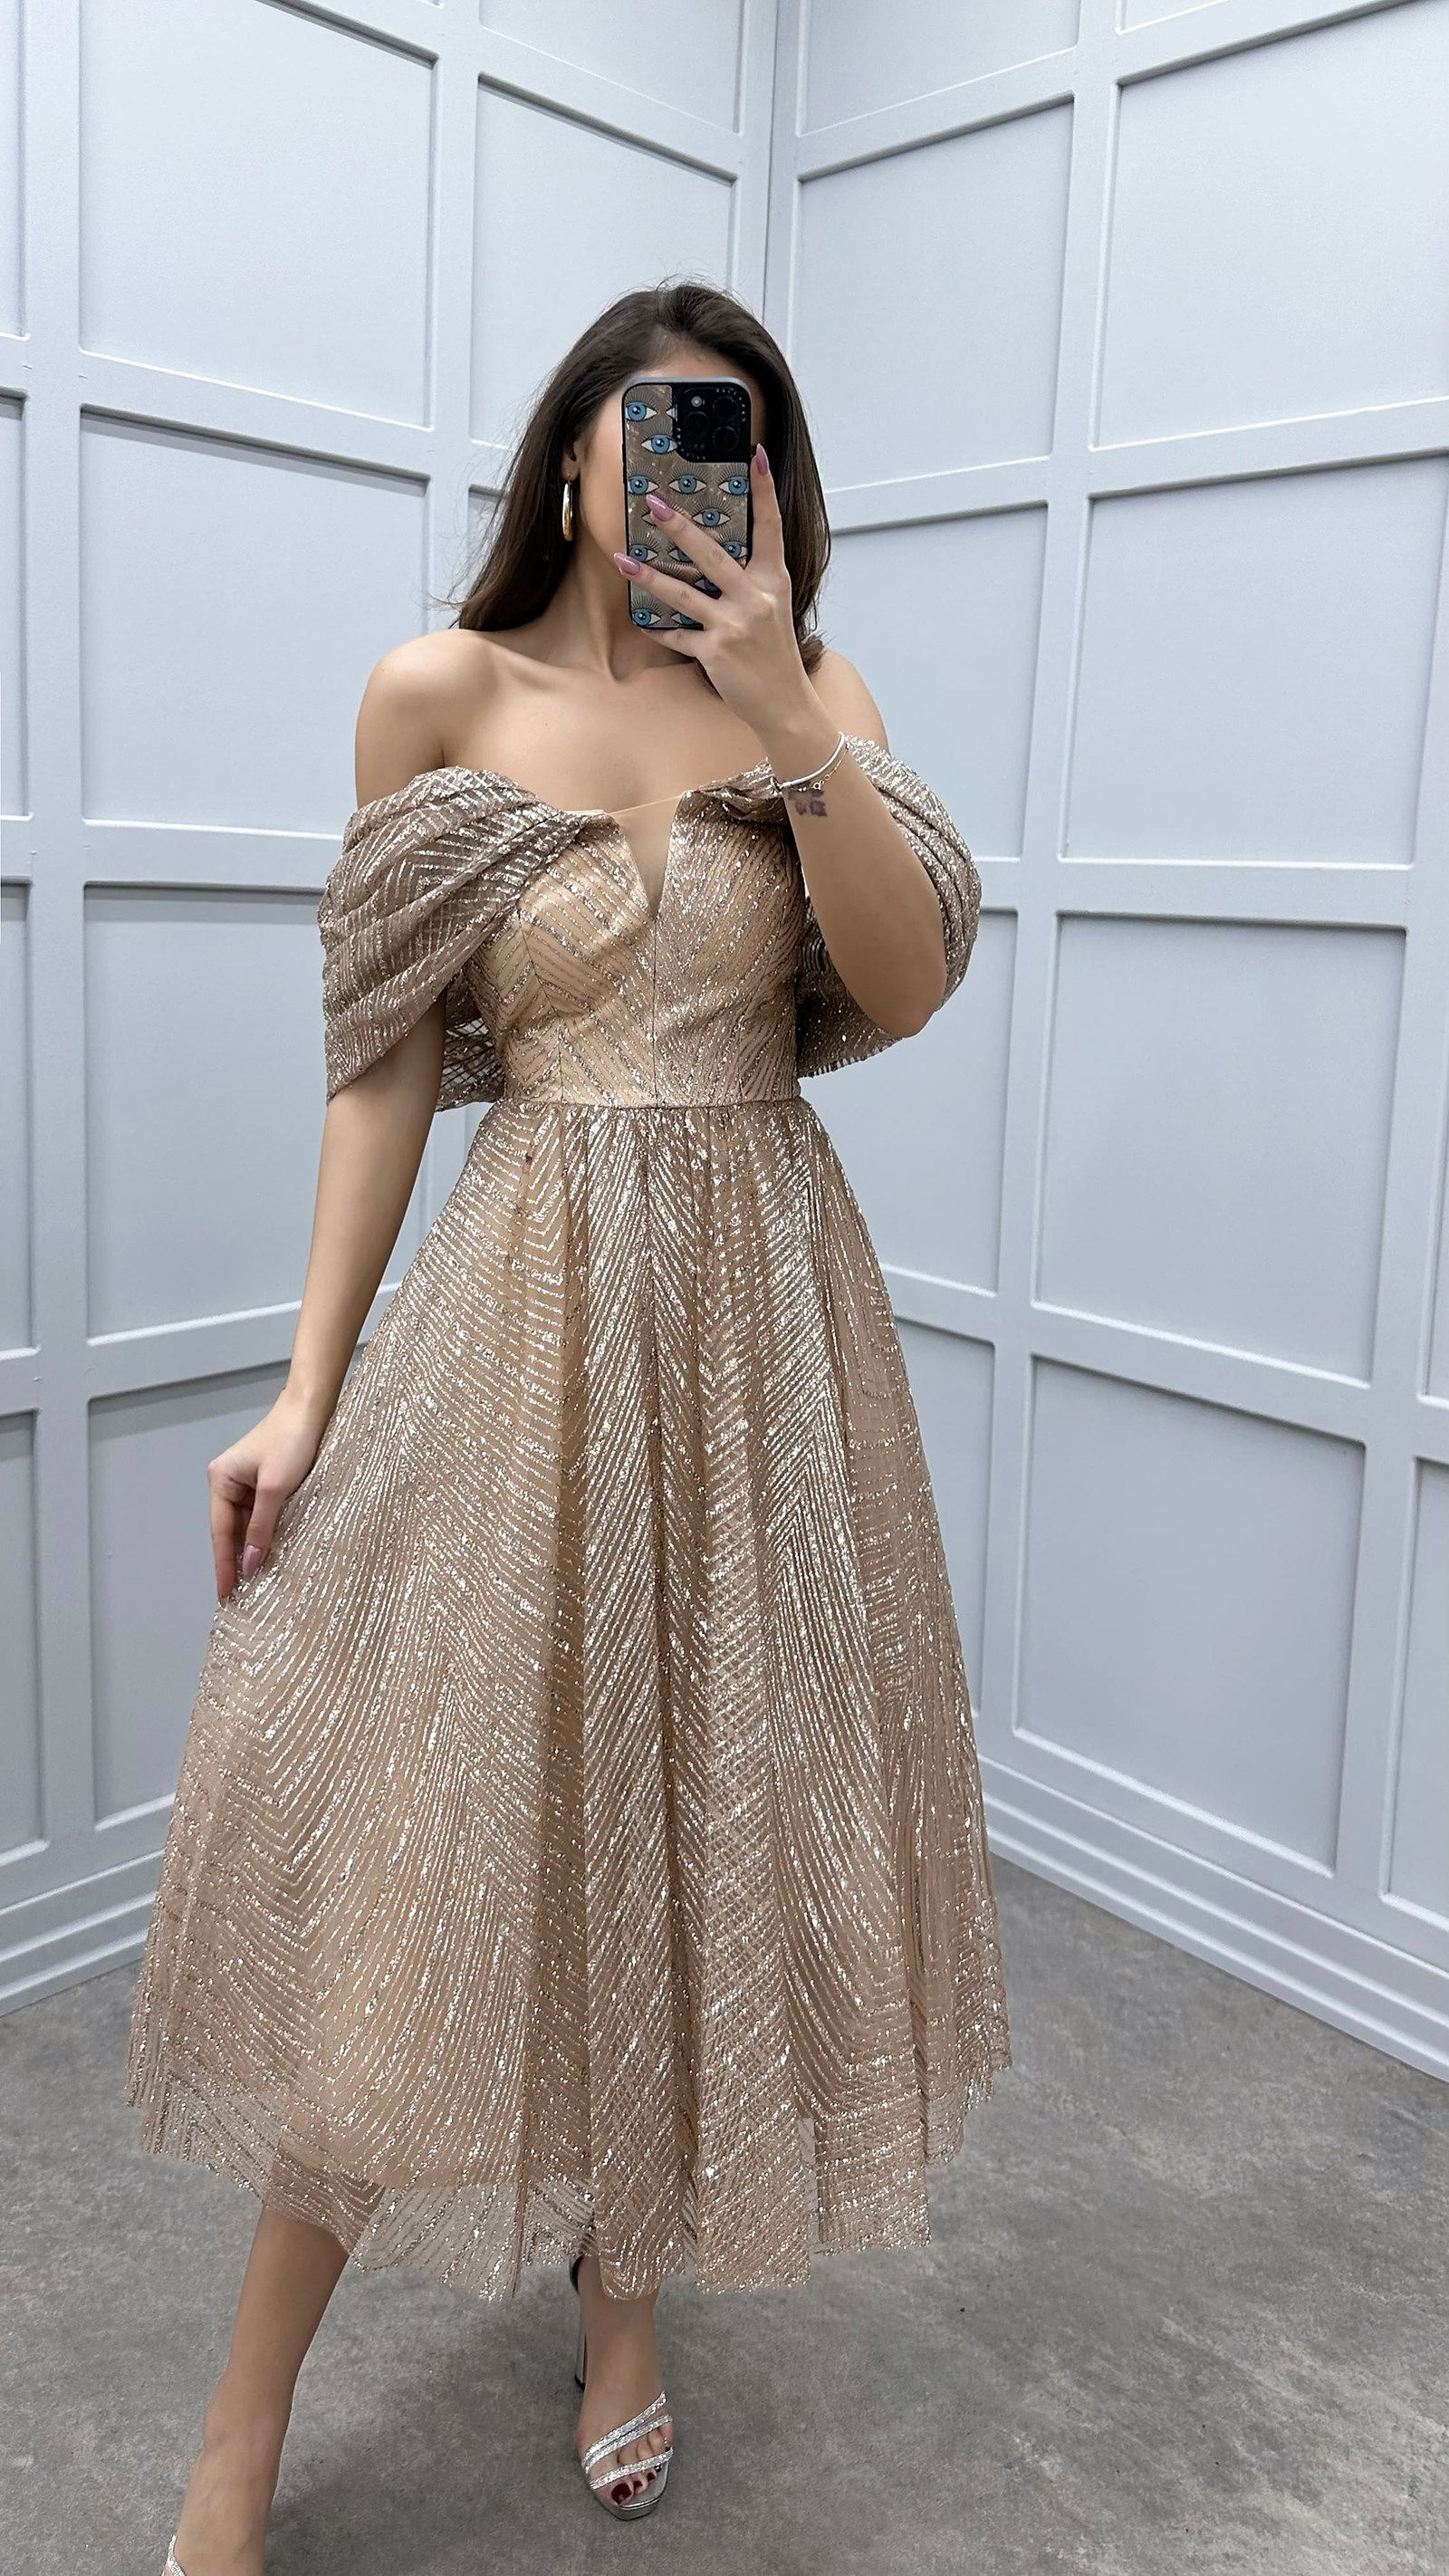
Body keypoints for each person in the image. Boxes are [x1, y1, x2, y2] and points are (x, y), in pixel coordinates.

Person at [125, 279, 1010, 2571]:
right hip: (521, 1328)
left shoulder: (814, 696)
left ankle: (625, 2309)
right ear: (570, 460)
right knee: (429, 1856)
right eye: (653, 431)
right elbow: (380, 1063)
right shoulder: (438, 696)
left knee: (692, 1826)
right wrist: (306, 1390)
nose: (692, 472)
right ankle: (240, 2429)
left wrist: (778, 709)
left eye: (734, 438)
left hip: (763, 1337)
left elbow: (903, 986)